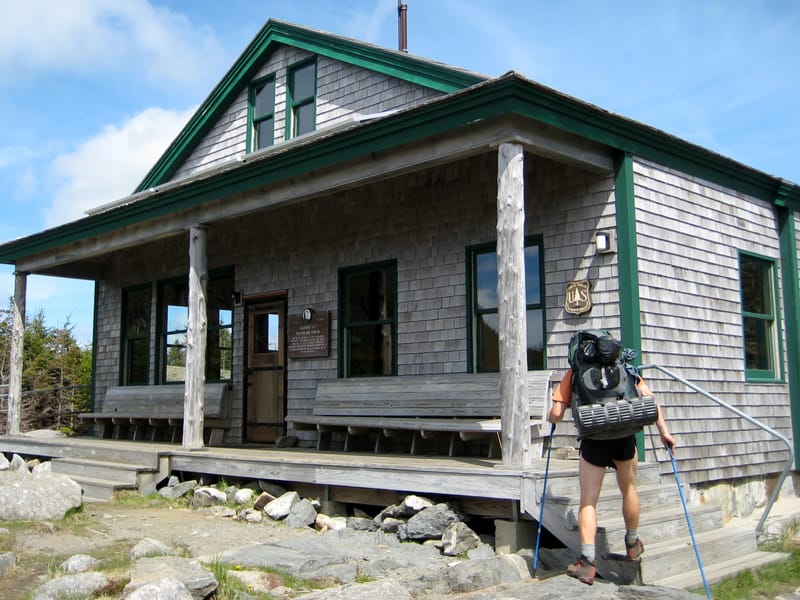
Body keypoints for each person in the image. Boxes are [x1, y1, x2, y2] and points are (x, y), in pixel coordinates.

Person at [547, 365, 675, 586]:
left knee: (588, 501)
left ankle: (587, 563)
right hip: (623, 436)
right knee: (629, 489)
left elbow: (557, 414)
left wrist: (551, 417)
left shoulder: (576, 371)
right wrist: (664, 432)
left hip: (594, 439)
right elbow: (651, 400)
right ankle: (633, 544)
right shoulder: (624, 368)